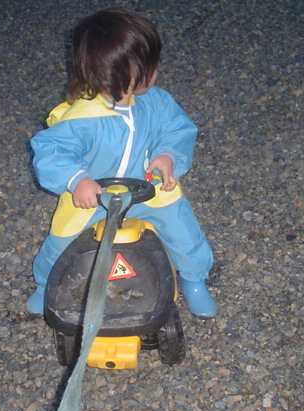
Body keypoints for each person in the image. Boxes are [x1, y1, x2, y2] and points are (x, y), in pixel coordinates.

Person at [27, 8, 216, 318]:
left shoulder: (156, 102)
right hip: (93, 199)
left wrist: (168, 155)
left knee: (183, 230)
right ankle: (47, 283)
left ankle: (194, 278)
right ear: (119, 71)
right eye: (149, 66)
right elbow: (52, 151)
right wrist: (76, 179)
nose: (155, 72)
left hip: (150, 190)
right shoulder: (82, 118)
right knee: (62, 241)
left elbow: (177, 129)